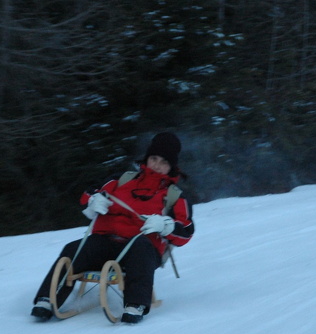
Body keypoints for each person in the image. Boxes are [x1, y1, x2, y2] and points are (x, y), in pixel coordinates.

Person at [31, 132, 194, 324]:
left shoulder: (175, 196)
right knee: (72, 250)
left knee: (141, 248)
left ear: (171, 167)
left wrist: (166, 226)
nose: (157, 165)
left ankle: (135, 304)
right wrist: (93, 201)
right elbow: (89, 193)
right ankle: (47, 299)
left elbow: (186, 231)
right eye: (154, 159)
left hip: (141, 249)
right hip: (105, 241)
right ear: (147, 159)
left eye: (163, 162)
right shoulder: (121, 180)